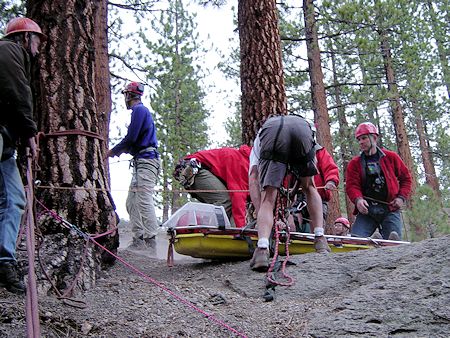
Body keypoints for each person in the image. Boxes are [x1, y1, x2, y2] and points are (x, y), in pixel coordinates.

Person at [248, 115, 331, 272]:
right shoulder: (301, 124)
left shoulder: (260, 140)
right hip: (303, 129)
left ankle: (262, 249)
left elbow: (253, 179)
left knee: (268, 198)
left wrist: (261, 214)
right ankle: (320, 238)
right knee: (310, 187)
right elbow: (303, 178)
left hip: (273, 134)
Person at [0, 17, 45, 293]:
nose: (39, 48)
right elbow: (17, 92)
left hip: (5, 142)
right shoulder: (7, 51)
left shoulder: (14, 58)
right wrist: (29, 131)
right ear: (25, 37)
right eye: (37, 40)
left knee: (15, 199)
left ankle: (4, 261)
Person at [107, 82, 160, 249]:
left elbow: (131, 138)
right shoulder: (140, 112)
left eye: (126, 95)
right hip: (141, 161)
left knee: (143, 199)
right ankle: (139, 238)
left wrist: (112, 152)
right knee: (131, 201)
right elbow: (133, 140)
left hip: (146, 161)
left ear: (129, 95)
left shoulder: (139, 110)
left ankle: (151, 240)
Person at [345, 122, 412, 240]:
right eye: (359, 139)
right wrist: (358, 200)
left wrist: (401, 198)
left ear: (374, 138)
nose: (361, 142)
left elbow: (406, 179)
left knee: (394, 243)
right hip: (367, 211)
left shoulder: (391, 157)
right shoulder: (354, 164)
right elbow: (352, 186)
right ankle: (376, 240)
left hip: (390, 209)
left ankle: (381, 240)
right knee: (355, 241)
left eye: (364, 138)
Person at [173, 145, 252, 228]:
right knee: (225, 201)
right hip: (193, 168)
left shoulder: (249, 164)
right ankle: (206, 233)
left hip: (198, 170)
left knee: (227, 208)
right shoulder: (244, 164)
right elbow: (238, 197)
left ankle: (231, 235)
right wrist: (241, 229)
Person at [291, 143, 339, 233]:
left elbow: (330, 168)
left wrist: (331, 181)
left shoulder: (319, 151)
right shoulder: (291, 152)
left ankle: (318, 239)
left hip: (319, 196)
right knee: (291, 222)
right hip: (297, 197)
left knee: (317, 225)